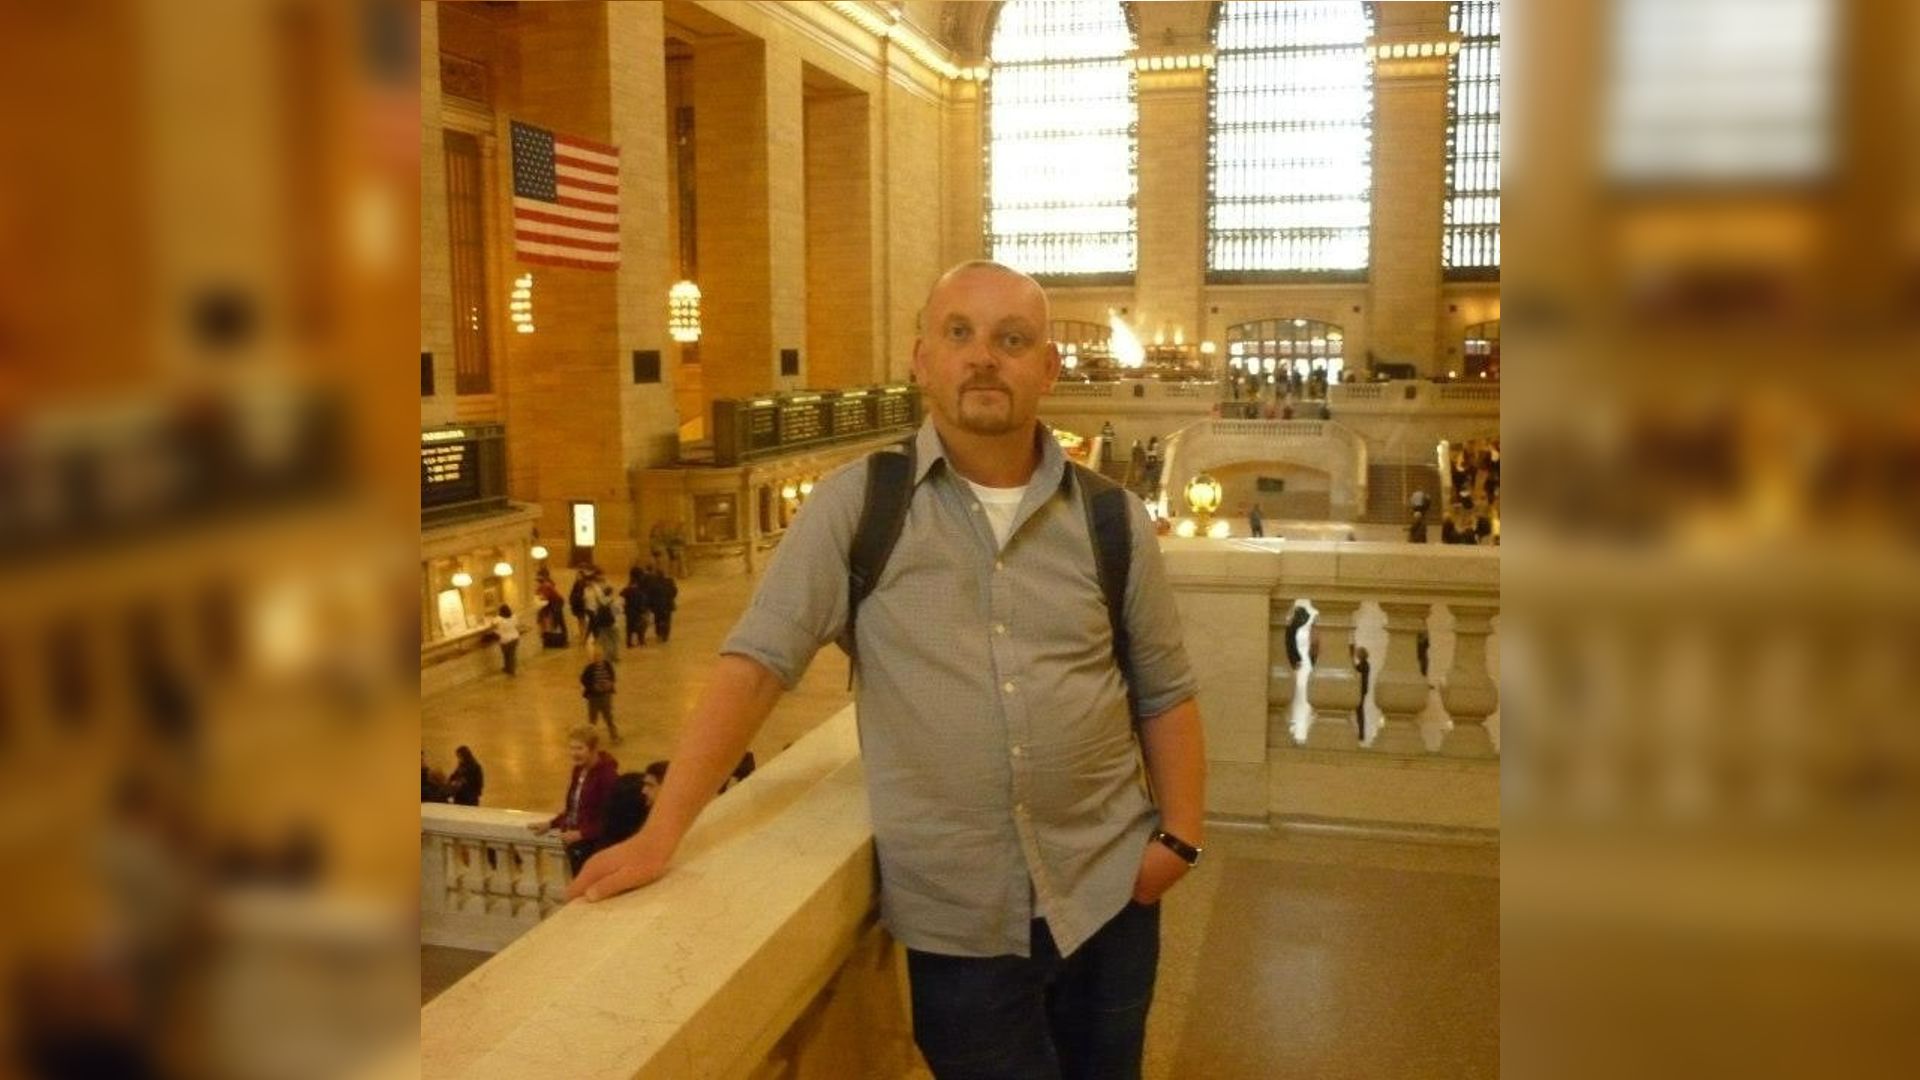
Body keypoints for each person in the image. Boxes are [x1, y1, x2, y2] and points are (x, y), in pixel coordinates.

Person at [568, 261, 1205, 1080]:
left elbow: (1164, 689)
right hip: (960, 926)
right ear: (921, 359)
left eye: (1012, 340)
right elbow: (756, 665)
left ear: (1047, 368)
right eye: (959, 334)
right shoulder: (856, 507)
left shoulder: (1111, 518)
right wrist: (663, 831)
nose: (984, 357)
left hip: (1110, 895)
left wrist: (1180, 839)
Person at [529, 726, 619, 874]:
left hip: (593, 847)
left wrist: (581, 834)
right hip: (578, 845)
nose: (574, 753)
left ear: (594, 748)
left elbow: (611, 818)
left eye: (579, 748)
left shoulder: (608, 777)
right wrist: (551, 823)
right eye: (571, 748)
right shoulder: (578, 770)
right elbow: (574, 808)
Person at [578, 642, 620, 743]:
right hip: (594, 697)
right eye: (596, 656)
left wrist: (610, 683)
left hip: (606, 695)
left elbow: (612, 676)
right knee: (593, 719)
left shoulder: (607, 665)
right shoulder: (589, 668)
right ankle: (591, 739)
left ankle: (614, 736)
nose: (598, 658)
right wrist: (593, 687)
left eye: (599, 655)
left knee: (609, 716)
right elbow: (583, 679)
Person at [645, 560, 679, 643]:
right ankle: (666, 635)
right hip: (667, 605)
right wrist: (671, 598)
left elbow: (650, 594)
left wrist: (650, 605)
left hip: (657, 606)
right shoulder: (669, 581)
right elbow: (674, 591)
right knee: (667, 620)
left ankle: (659, 633)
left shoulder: (653, 583)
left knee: (658, 620)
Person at [620, 569, 650, 647]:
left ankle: (629, 642)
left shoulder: (627, 590)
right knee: (640, 626)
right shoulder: (640, 592)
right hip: (637, 611)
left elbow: (621, 594)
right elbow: (643, 601)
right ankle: (641, 641)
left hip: (629, 612)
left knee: (629, 627)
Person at [490, 604, 521, 675]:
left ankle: (510, 669)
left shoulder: (498, 619)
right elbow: (516, 624)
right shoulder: (514, 616)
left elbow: (492, 625)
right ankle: (510, 669)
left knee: (506, 655)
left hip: (504, 639)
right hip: (515, 637)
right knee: (512, 655)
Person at [568, 570, 591, 645]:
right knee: (580, 620)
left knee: (582, 620)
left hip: (582, 604)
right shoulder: (576, 583)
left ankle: (583, 636)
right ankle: (582, 636)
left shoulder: (584, 584)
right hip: (577, 604)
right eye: (577, 575)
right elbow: (572, 593)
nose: (578, 577)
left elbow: (586, 594)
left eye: (579, 575)